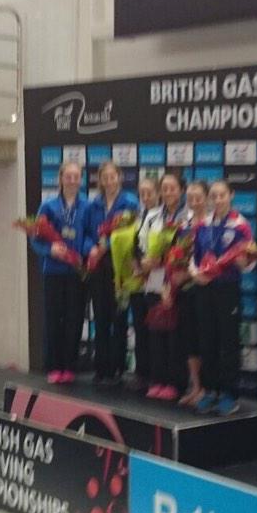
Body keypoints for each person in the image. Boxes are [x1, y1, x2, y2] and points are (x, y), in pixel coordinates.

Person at [191, 180, 252, 416]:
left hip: (227, 289)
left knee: (228, 341)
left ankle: (229, 394)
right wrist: (196, 274)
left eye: (222, 195)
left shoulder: (240, 225)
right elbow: (194, 257)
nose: (217, 200)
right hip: (205, 289)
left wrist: (244, 262)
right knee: (207, 339)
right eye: (214, 196)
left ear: (231, 195)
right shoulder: (203, 224)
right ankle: (210, 390)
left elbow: (248, 261)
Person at [30, 162, 87, 384]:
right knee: (54, 318)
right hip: (53, 271)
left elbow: (90, 235)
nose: (72, 180)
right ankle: (54, 366)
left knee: (74, 318)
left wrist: (84, 252)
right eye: (68, 176)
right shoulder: (48, 206)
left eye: (76, 176)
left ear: (80, 179)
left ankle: (69, 366)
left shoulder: (87, 205)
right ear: (61, 179)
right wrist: (50, 249)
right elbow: (35, 239)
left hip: (76, 270)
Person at [82, 161, 138, 383]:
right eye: (104, 177)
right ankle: (101, 367)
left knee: (119, 318)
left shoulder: (130, 202)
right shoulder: (92, 205)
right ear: (100, 180)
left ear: (120, 177)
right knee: (101, 316)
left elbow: (134, 233)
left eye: (112, 176)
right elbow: (85, 234)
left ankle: (118, 368)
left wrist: (111, 245)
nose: (109, 181)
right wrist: (92, 248)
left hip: (120, 267)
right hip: (98, 266)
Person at [140, 171, 188, 400]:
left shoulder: (187, 216)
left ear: (181, 190)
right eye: (165, 189)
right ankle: (157, 380)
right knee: (156, 332)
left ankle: (174, 382)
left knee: (175, 334)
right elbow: (140, 244)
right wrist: (145, 261)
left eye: (172, 188)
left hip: (177, 282)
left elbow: (189, 249)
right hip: (154, 280)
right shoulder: (152, 216)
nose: (168, 192)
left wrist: (167, 260)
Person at [176, 181, 209, 407]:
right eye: (190, 199)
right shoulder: (184, 223)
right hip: (186, 287)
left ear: (206, 198)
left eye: (198, 198)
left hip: (207, 286)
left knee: (206, 338)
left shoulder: (213, 223)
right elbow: (178, 255)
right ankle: (196, 387)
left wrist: (193, 273)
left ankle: (208, 388)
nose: (194, 202)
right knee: (190, 339)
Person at [128, 177, 160, 392]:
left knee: (155, 330)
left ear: (158, 194)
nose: (146, 197)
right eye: (142, 194)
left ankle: (157, 376)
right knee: (140, 328)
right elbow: (133, 246)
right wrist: (135, 264)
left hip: (156, 279)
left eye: (150, 193)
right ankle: (142, 373)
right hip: (138, 280)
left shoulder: (163, 217)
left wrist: (149, 266)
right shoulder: (137, 217)